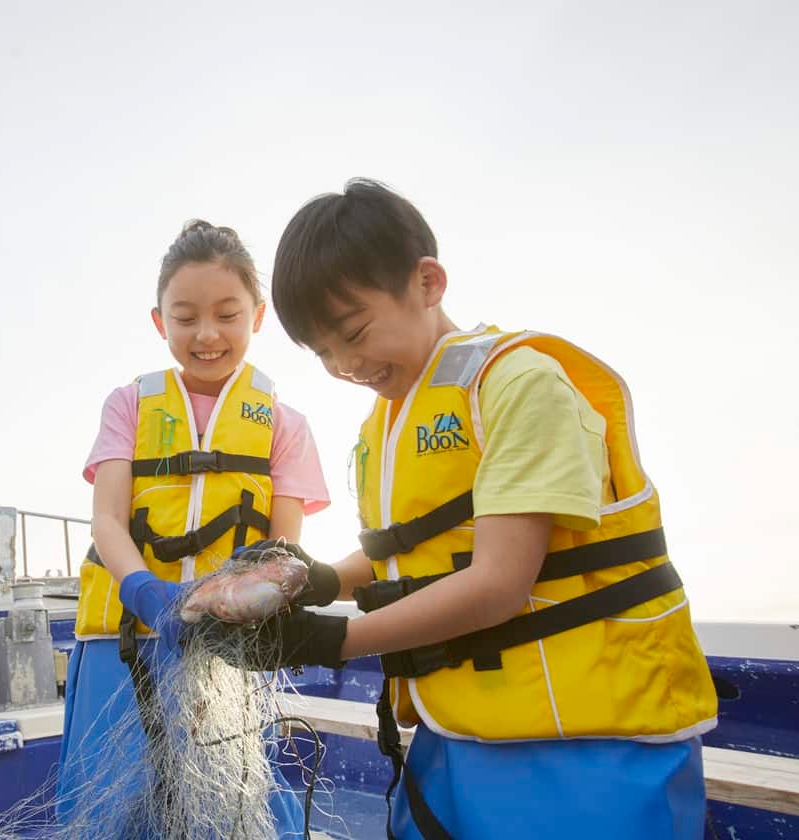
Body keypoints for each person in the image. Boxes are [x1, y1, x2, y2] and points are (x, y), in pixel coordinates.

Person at [228, 179, 719, 839]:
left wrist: (332, 641)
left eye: (354, 332)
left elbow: (497, 583)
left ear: (428, 282)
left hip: (591, 746)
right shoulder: (385, 424)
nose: (346, 364)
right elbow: (407, 553)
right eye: (322, 352)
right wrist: (319, 579)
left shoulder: (518, 384)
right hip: (455, 737)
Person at [55, 221, 332, 838]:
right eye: (185, 317)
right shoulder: (128, 404)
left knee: (231, 814)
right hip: (120, 645)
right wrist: (145, 592)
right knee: (109, 816)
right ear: (160, 322)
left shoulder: (285, 425)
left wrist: (234, 610)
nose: (206, 334)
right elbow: (107, 519)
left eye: (227, 315)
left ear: (257, 316)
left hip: (226, 658)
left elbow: (283, 551)